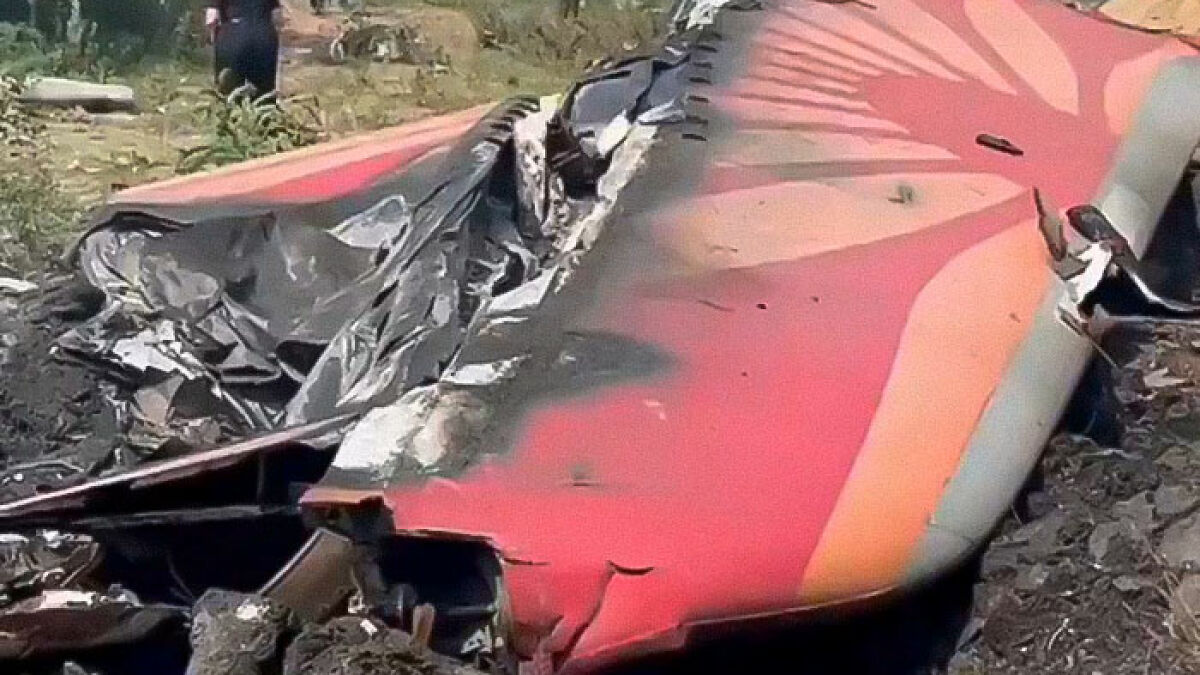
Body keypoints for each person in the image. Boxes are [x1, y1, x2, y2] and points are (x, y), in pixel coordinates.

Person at [205, 0, 284, 97]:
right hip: (263, 38)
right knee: (264, 94)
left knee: (228, 90)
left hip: (232, 37)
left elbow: (212, 19)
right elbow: (277, 18)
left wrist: (215, 37)